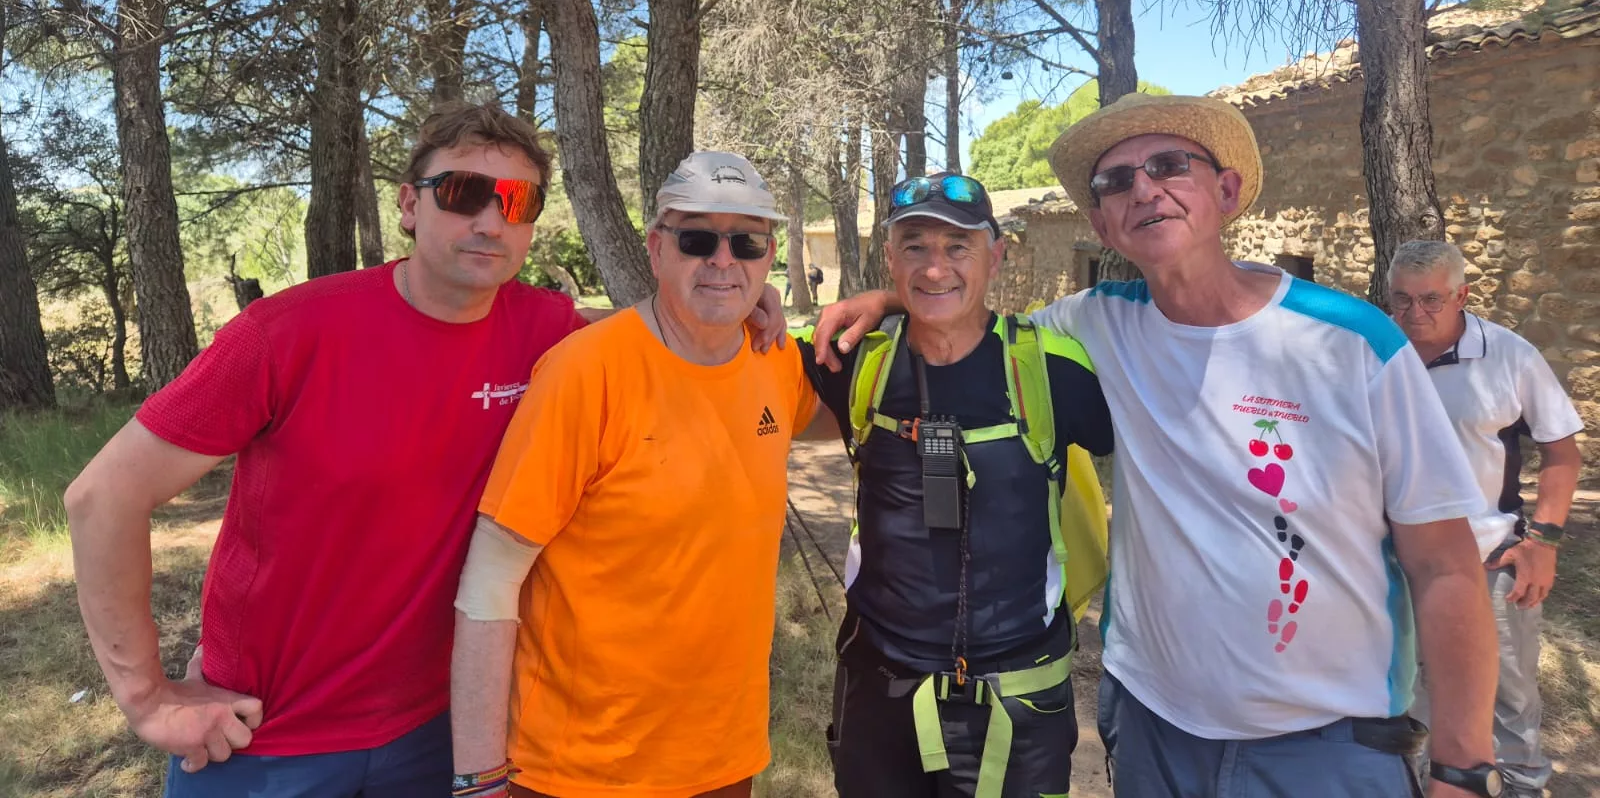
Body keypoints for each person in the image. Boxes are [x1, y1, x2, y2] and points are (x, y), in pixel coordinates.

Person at [64, 106, 782, 795]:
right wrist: (148, 697)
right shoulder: (287, 335)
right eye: (463, 193)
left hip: (439, 733)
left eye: (516, 202)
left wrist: (741, 301)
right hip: (268, 735)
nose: (489, 220)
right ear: (409, 204)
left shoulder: (545, 330)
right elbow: (103, 497)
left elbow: (659, 331)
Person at [815, 93, 1503, 798]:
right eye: (1117, 181)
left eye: (1170, 165)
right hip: (1152, 726)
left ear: (1227, 189)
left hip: (1325, 744)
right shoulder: (1092, 328)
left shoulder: (1352, 343)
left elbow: (1445, 563)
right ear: (1101, 223)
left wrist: (1463, 766)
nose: (1144, 188)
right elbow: (965, 315)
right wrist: (891, 300)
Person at [449, 151, 817, 798]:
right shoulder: (585, 372)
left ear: (770, 251)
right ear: (656, 248)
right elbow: (490, 581)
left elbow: (871, 394)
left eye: (748, 241)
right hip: (579, 769)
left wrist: (894, 296)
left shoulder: (776, 361)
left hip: (725, 760)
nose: (724, 261)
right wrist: (479, 780)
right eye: (698, 238)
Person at [800, 172, 1113, 798]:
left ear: (995, 255)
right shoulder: (856, 358)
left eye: (958, 246)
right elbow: (731, 373)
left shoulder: (1055, 368)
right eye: (914, 246)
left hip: (1016, 703)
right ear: (889, 258)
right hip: (879, 691)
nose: (935, 268)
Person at [1388, 239, 1584, 798]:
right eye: (1401, 300)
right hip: (1390, 558)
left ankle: (1523, 787)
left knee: (1508, 694)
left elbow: (1561, 451)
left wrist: (1542, 542)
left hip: (1486, 557)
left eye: (1431, 301)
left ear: (1462, 296)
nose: (1414, 315)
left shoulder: (1510, 355)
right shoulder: (1372, 351)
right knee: (1407, 688)